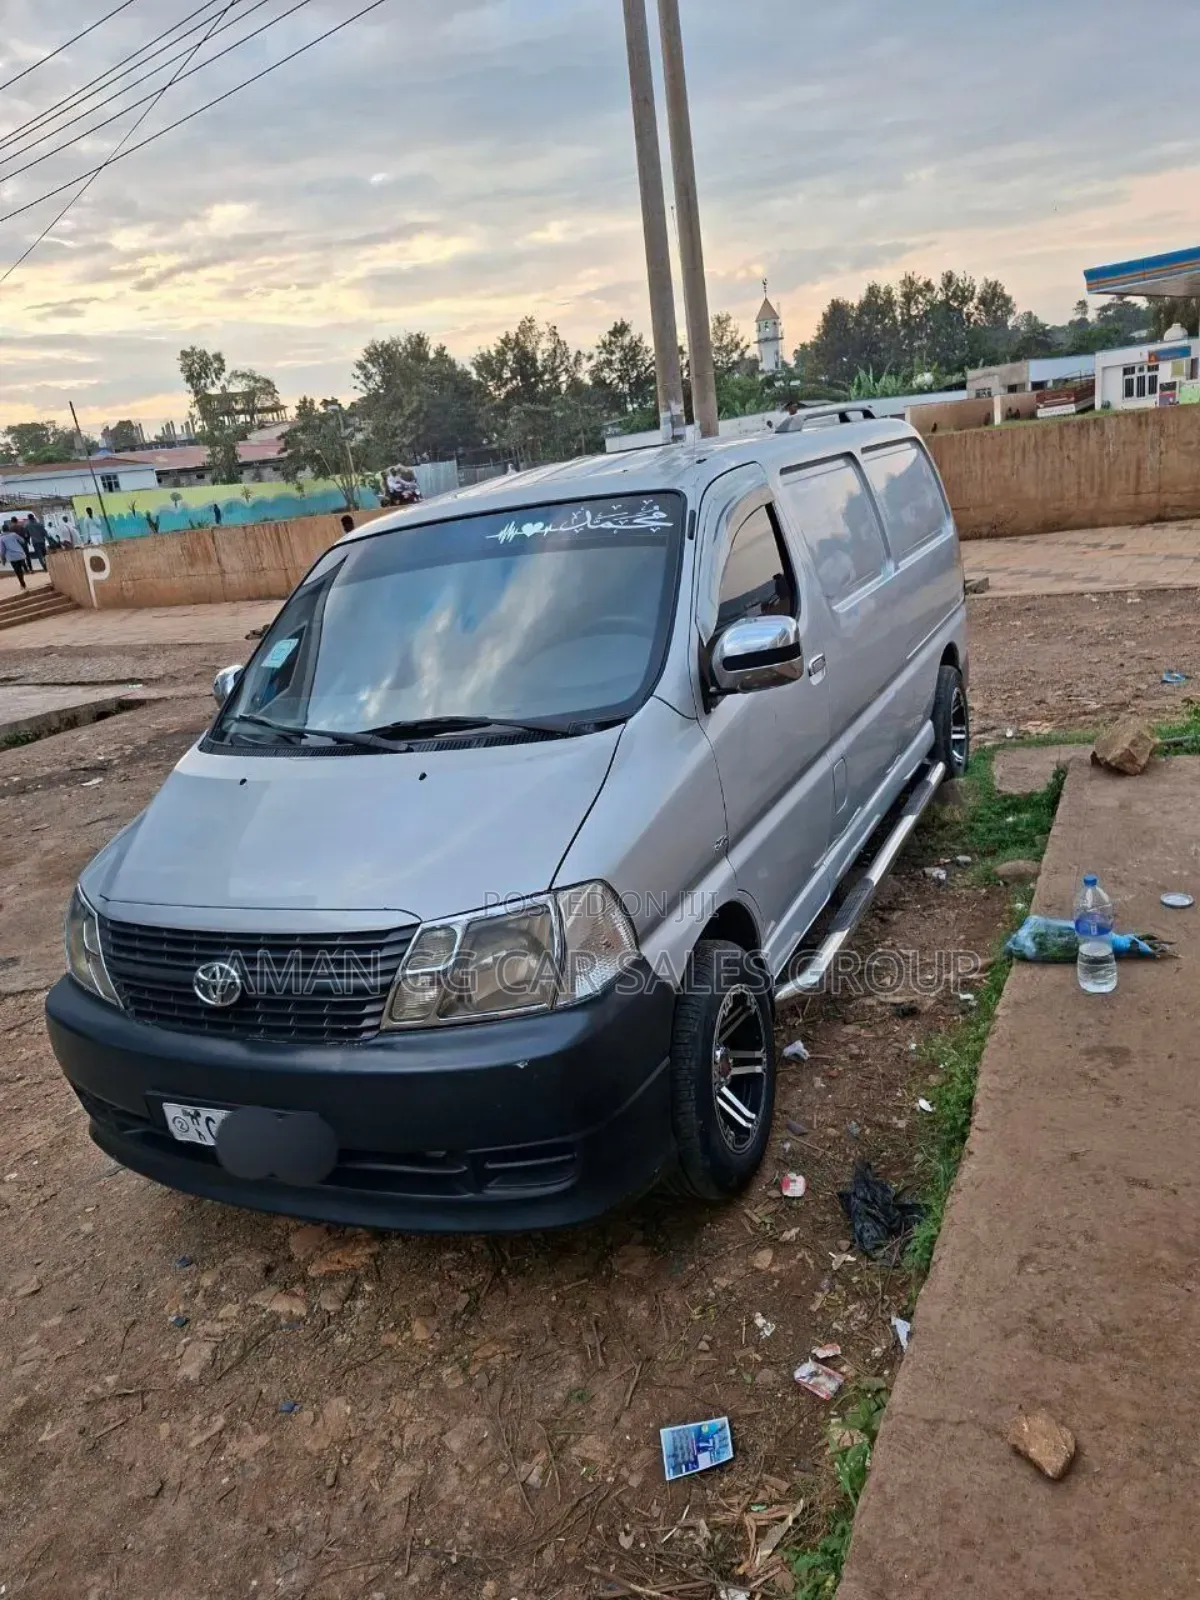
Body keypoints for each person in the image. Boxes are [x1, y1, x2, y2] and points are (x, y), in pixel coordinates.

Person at [1, 521, 30, 590]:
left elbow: (2, 550)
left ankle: (22, 584)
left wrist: (3, 559)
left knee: (17, 571)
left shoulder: (1, 538)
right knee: (20, 569)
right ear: (8, 529)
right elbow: (22, 541)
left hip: (12, 557)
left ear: (2, 530)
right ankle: (22, 582)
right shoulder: (14, 535)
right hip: (20, 554)